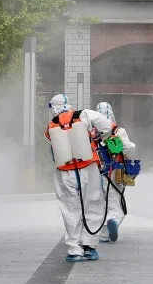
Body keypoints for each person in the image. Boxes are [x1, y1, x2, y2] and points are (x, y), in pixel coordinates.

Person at [45, 94, 131, 262]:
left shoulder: (51, 126)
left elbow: (53, 150)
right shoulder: (84, 115)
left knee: (70, 210)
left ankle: (74, 250)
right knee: (93, 203)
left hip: (64, 172)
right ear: (68, 104)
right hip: (88, 167)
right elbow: (109, 127)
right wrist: (104, 136)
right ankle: (89, 247)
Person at [95, 102, 137, 244]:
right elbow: (128, 149)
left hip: (95, 172)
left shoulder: (91, 133)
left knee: (99, 203)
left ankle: (101, 233)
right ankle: (112, 222)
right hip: (115, 171)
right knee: (117, 203)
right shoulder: (118, 131)